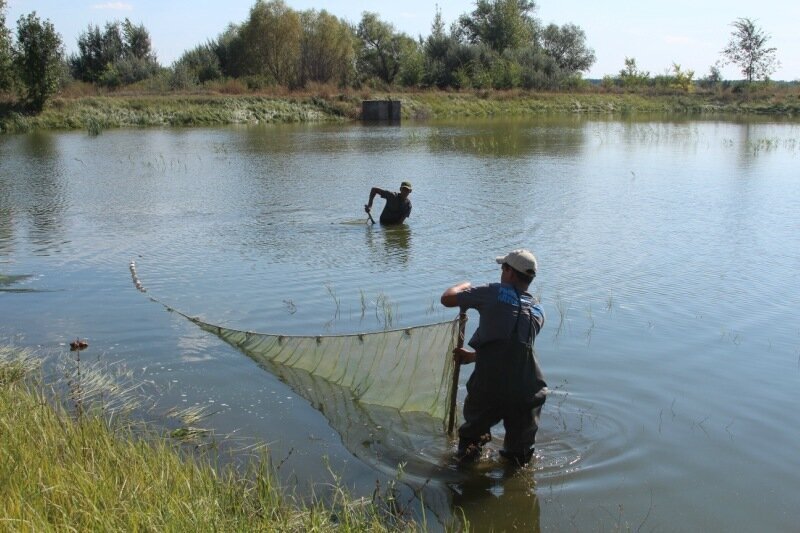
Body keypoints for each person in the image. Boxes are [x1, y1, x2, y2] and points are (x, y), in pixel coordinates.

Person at [440, 249, 547, 466]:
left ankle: (468, 480)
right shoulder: (538, 309)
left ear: (510, 273)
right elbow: (511, 348)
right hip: (529, 391)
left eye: (502, 267)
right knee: (519, 459)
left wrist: (464, 286)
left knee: (470, 445)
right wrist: (472, 357)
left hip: (490, 386)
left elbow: (447, 299)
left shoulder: (492, 292)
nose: (501, 272)